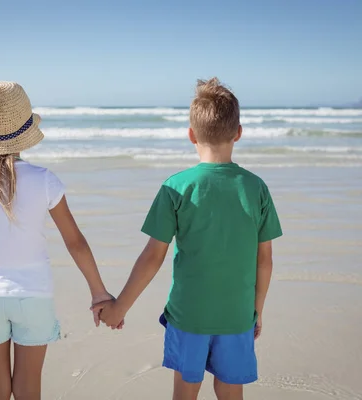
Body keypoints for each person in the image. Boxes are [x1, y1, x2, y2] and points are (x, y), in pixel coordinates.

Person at [94, 78, 283, 400]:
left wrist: (118, 308)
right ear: (238, 133)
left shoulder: (176, 187)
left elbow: (152, 257)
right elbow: (264, 260)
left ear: (191, 135)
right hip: (237, 315)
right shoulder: (256, 188)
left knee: (185, 391)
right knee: (229, 390)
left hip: (188, 315)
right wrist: (257, 311)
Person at [0, 81, 113, 400]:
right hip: (34, 297)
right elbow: (75, 241)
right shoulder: (44, 179)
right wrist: (98, 291)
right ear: (25, 130)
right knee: (28, 390)